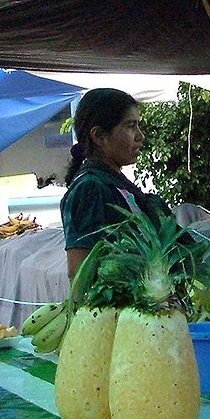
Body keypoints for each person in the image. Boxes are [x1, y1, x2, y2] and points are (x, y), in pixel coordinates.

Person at [60, 88, 176, 282]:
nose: (140, 136)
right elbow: (79, 274)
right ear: (99, 136)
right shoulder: (89, 189)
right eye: (130, 126)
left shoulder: (114, 183)